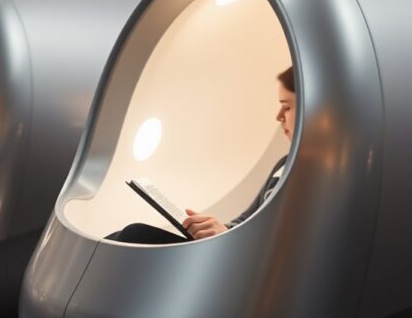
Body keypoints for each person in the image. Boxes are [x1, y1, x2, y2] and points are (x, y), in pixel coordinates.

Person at [106, 66, 296, 244]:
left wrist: (225, 236)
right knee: (115, 238)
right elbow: (246, 221)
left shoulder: (317, 181)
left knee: (136, 235)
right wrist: (214, 230)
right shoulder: (284, 164)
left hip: (255, 265)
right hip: (238, 249)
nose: (278, 116)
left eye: (286, 107)